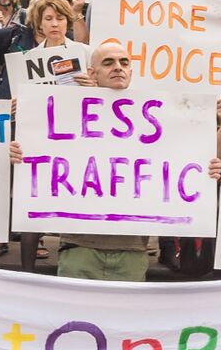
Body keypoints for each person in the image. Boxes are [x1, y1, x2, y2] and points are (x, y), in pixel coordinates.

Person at [49, 41, 156, 282]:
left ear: (131, 71)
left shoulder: (155, 119)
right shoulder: (67, 113)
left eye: (124, 62)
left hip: (132, 249)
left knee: (126, 320)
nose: (118, 67)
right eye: (108, 63)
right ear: (91, 73)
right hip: (80, 247)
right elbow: (40, 153)